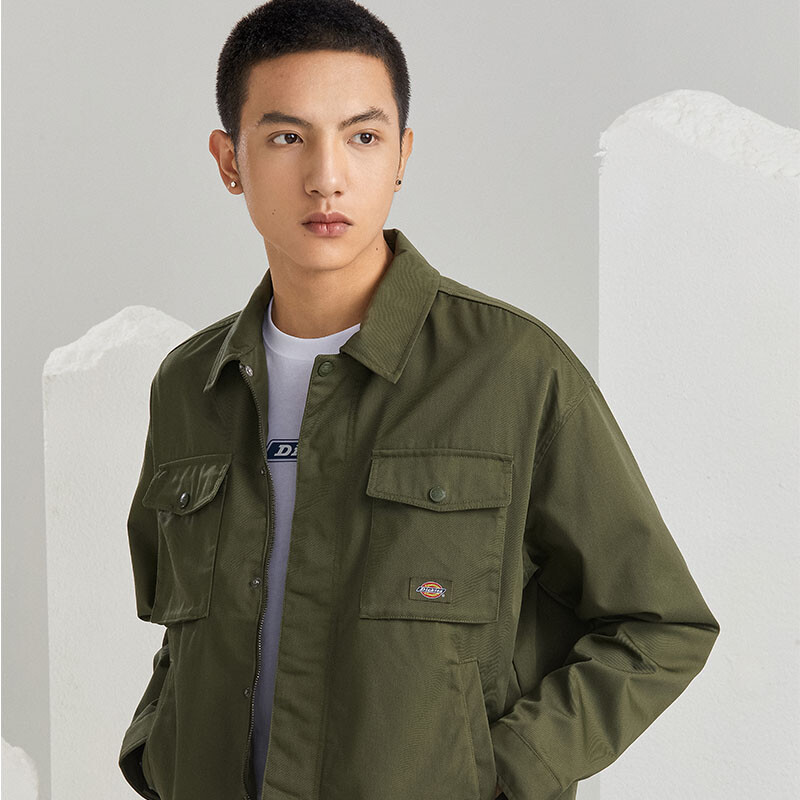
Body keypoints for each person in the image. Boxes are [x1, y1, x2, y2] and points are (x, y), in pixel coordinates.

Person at [118, 1, 720, 799]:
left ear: (402, 154)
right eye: (287, 137)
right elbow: (185, 632)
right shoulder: (190, 384)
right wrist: (157, 748)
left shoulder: (511, 370)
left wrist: (504, 771)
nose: (327, 176)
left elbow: (660, 624)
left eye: (362, 137)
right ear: (231, 161)